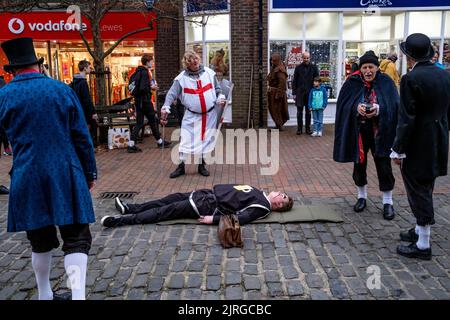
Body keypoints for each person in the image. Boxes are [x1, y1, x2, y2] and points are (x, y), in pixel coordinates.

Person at [0, 37, 97, 300]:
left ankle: (45, 294)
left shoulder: (3, 96)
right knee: (76, 237)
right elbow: (81, 137)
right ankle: (77, 296)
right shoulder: (61, 90)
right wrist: (89, 173)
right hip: (64, 171)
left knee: (39, 238)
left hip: (26, 174)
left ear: (13, 69)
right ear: (38, 65)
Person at [391, 33, 450, 260]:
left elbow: (407, 119)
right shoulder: (444, 75)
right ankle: (418, 230)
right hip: (438, 138)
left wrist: (398, 148)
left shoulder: (410, 79)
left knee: (418, 190)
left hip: (418, 143)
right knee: (427, 185)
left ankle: (423, 244)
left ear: (409, 56)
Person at [333, 50, 399, 220]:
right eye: (364, 67)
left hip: (381, 132)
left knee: (384, 165)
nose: (368, 71)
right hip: (360, 131)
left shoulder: (386, 82)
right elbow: (343, 105)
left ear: (377, 68)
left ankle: (387, 201)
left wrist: (379, 109)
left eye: (371, 67)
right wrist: (356, 107)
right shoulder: (352, 82)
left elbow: (395, 105)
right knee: (359, 163)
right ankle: (361, 197)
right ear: (360, 68)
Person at [101, 184, 294, 228]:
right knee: (166, 200)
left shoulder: (262, 206)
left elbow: (241, 218)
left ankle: (120, 221)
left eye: (282, 196)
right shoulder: (259, 192)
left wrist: (214, 219)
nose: (279, 192)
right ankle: (130, 208)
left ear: (278, 204)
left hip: (207, 205)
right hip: (205, 194)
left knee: (163, 212)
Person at [160, 50, 226, 178]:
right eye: (190, 60)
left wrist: (220, 96)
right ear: (186, 64)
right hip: (192, 116)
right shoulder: (181, 79)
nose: (194, 61)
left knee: (204, 140)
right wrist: (166, 106)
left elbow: (217, 89)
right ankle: (181, 167)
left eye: (195, 58)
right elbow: (171, 94)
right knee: (185, 140)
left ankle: (201, 165)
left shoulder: (209, 73)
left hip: (209, 115)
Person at [128, 54, 171, 153]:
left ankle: (131, 144)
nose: (153, 63)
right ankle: (159, 141)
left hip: (139, 101)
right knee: (153, 121)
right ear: (147, 62)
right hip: (145, 101)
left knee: (140, 122)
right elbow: (143, 88)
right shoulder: (144, 72)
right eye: (152, 61)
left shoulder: (138, 71)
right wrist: (152, 88)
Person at [70, 60, 98, 144]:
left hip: (78, 109)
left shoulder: (74, 82)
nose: (90, 69)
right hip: (85, 111)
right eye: (89, 67)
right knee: (91, 128)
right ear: (85, 68)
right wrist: (93, 112)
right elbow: (87, 99)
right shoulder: (83, 82)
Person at [292, 51, 319, 135]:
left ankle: (308, 129)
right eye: (304, 58)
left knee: (308, 112)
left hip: (310, 93)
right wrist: (294, 93)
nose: (306, 59)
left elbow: (317, 80)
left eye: (307, 58)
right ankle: (299, 129)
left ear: (309, 58)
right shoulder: (298, 68)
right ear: (302, 58)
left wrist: (316, 91)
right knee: (299, 112)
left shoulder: (314, 67)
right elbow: (295, 81)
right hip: (300, 93)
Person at [267, 53, 289, 131]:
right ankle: (278, 125)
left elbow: (282, 82)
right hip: (273, 93)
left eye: (274, 60)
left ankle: (279, 126)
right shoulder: (275, 67)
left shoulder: (280, 69)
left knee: (277, 109)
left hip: (276, 93)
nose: (272, 62)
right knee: (274, 110)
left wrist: (278, 94)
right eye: (272, 60)